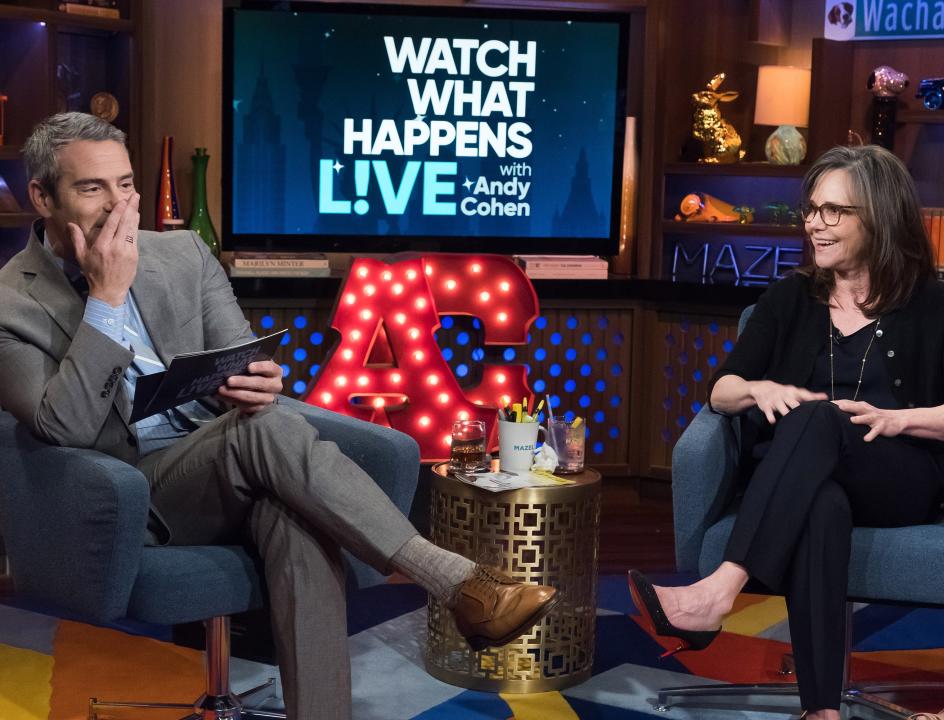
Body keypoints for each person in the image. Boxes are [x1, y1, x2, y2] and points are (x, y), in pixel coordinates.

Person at [0, 112, 559, 720]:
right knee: (266, 432)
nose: (118, 207)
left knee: (292, 513)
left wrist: (254, 381)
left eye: (126, 184)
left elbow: (238, 358)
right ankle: (454, 581)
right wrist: (107, 298)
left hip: (228, 461)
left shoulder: (182, 253)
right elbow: (66, 428)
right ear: (41, 196)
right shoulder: (11, 303)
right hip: (127, 494)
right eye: (92, 188)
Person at [628, 144, 944, 720]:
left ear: (878, 217)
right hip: (806, 480)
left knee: (816, 417)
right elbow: (718, 390)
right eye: (811, 208)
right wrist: (759, 389)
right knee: (822, 502)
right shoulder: (791, 297)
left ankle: (718, 591)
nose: (814, 223)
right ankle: (821, 710)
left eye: (834, 211)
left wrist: (897, 419)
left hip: (899, 475)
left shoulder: (937, 307)